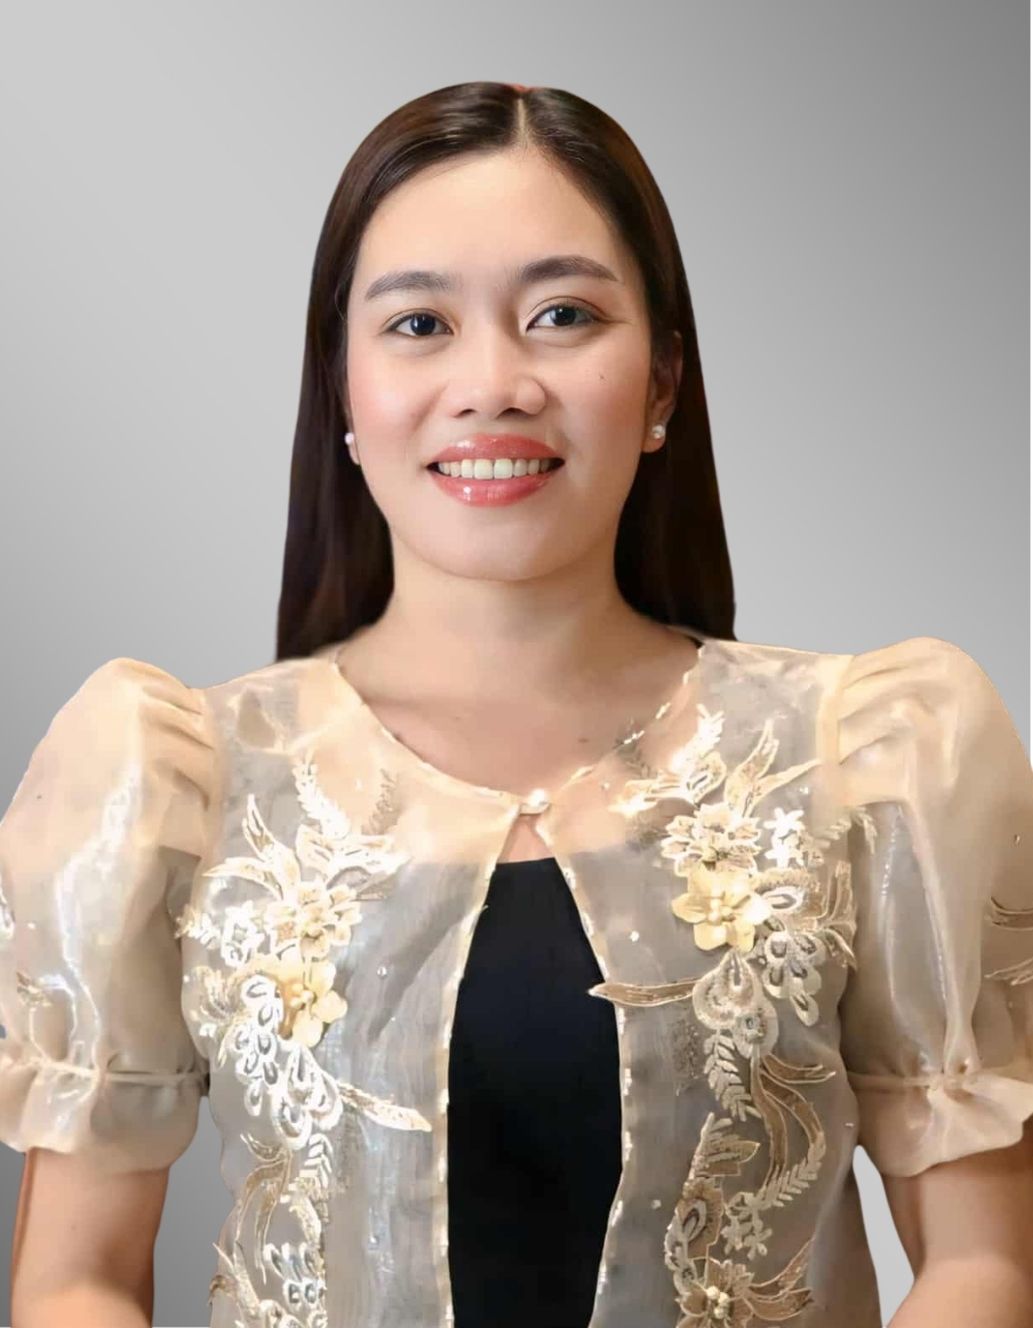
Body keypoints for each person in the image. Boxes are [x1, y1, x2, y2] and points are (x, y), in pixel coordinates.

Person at [3, 80, 1033, 1328]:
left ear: (661, 381)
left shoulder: (864, 755)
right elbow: (74, 1280)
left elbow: (985, 1264)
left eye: (561, 315)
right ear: (343, 388)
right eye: (419, 323)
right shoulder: (180, 778)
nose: (491, 382)